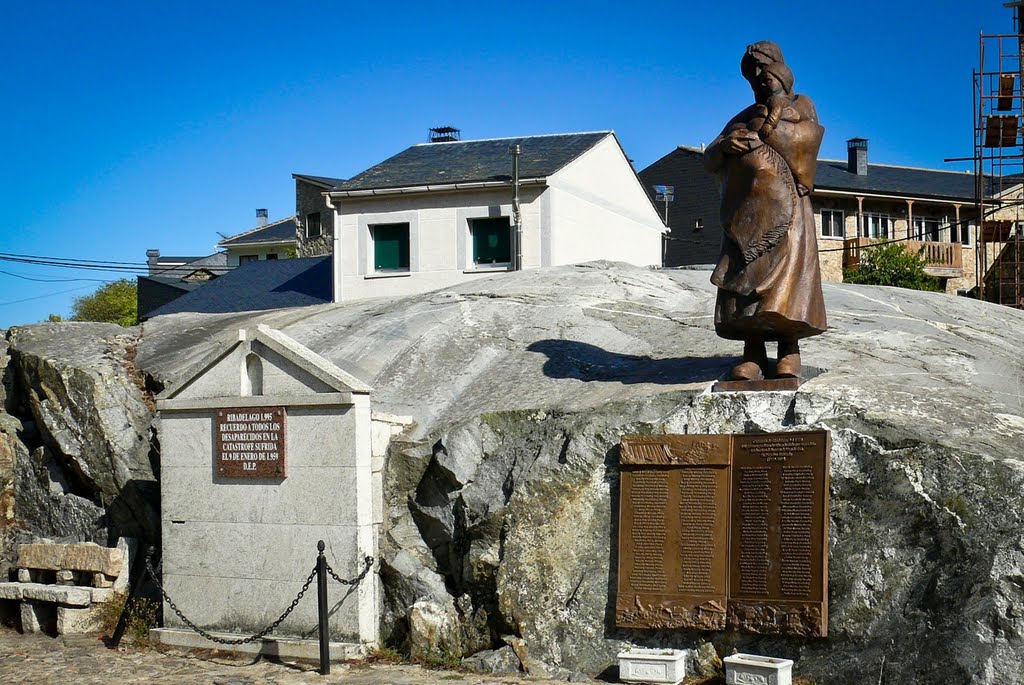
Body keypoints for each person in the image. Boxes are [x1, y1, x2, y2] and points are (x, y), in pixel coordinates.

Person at [703, 41, 827, 381]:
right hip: (749, 215)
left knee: (788, 280)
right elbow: (709, 156)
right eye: (751, 73)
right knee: (746, 282)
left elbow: (807, 139)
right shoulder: (742, 116)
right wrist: (728, 146)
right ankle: (753, 351)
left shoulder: (802, 104)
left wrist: (767, 127)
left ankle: (789, 348)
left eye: (762, 69)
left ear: (779, 69)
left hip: (790, 212)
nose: (758, 78)